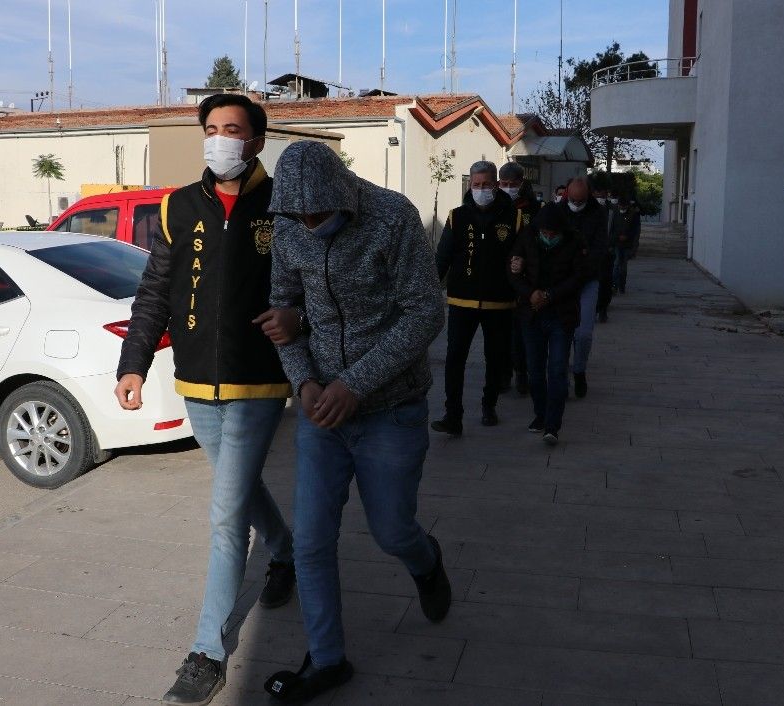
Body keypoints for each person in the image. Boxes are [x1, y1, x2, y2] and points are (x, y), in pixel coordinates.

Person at [115, 94, 299, 706]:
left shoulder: (283, 205)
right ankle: (287, 552)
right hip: (196, 381)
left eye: (233, 130)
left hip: (258, 382)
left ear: (256, 142)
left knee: (225, 517)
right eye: (212, 128)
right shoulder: (178, 206)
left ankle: (206, 651)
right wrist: (134, 364)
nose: (220, 139)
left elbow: (309, 284)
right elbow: (154, 292)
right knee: (239, 488)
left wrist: (296, 318)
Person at [264, 141, 451, 704]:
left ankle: (426, 561)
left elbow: (426, 312)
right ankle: (327, 660)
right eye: (298, 216)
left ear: (341, 193)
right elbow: (282, 313)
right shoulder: (288, 227)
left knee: (392, 530)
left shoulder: (392, 217)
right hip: (321, 412)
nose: (308, 224)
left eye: (318, 214)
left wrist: (355, 384)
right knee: (311, 542)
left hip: (392, 409)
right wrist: (305, 381)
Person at [432, 161, 523, 435]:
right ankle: (453, 415)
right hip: (462, 300)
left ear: (496, 185)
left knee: (495, 358)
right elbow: (442, 258)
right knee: (454, 358)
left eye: (486, 185)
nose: (481, 189)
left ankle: (489, 404)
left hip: (500, 301)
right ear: (470, 185)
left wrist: (521, 270)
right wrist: (428, 289)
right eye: (476, 185)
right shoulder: (457, 216)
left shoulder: (514, 217)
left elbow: (524, 254)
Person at [508, 203, 588, 444]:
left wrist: (550, 295)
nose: (549, 237)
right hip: (531, 314)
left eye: (553, 234)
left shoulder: (574, 242)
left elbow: (579, 277)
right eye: (545, 233)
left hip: (561, 316)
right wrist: (530, 293)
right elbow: (512, 271)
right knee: (534, 370)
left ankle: (553, 425)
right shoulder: (527, 237)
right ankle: (540, 414)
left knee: (557, 370)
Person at [561, 176, 608, 399]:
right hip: (560, 282)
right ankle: (560, 377)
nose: (576, 204)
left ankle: (579, 370)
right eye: (573, 200)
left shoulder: (598, 213)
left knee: (583, 334)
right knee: (560, 333)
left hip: (587, 280)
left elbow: (599, 249)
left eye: (580, 201)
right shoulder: (557, 211)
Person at [498, 161, 538, 394]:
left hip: (523, 277)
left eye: (512, 184)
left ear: (521, 183)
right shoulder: (496, 206)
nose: (508, 188)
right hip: (499, 277)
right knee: (501, 331)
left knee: (520, 330)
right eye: (503, 184)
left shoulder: (532, 208)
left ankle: (522, 372)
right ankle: (504, 373)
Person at [590, 176, 616, 324]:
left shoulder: (612, 209)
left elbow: (617, 228)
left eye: (602, 191)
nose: (600, 194)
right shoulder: (588, 208)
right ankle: (593, 308)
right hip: (591, 253)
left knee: (606, 282)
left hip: (607, 252)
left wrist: (611, 244)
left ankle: (603, 308)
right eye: (597, 191)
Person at [611, 193, 642, 293]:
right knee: (616, 264)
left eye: (624, 207)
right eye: (620, 206)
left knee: (623, 266)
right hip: (617, 243)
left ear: (628, 206)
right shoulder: (614, 212)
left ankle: (622, 285)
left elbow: (635, 231)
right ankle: (614, 285)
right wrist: (616, 238)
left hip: (627, 244)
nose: (622, 208)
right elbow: (612, 228)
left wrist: (631, 242)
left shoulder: (633, 214)